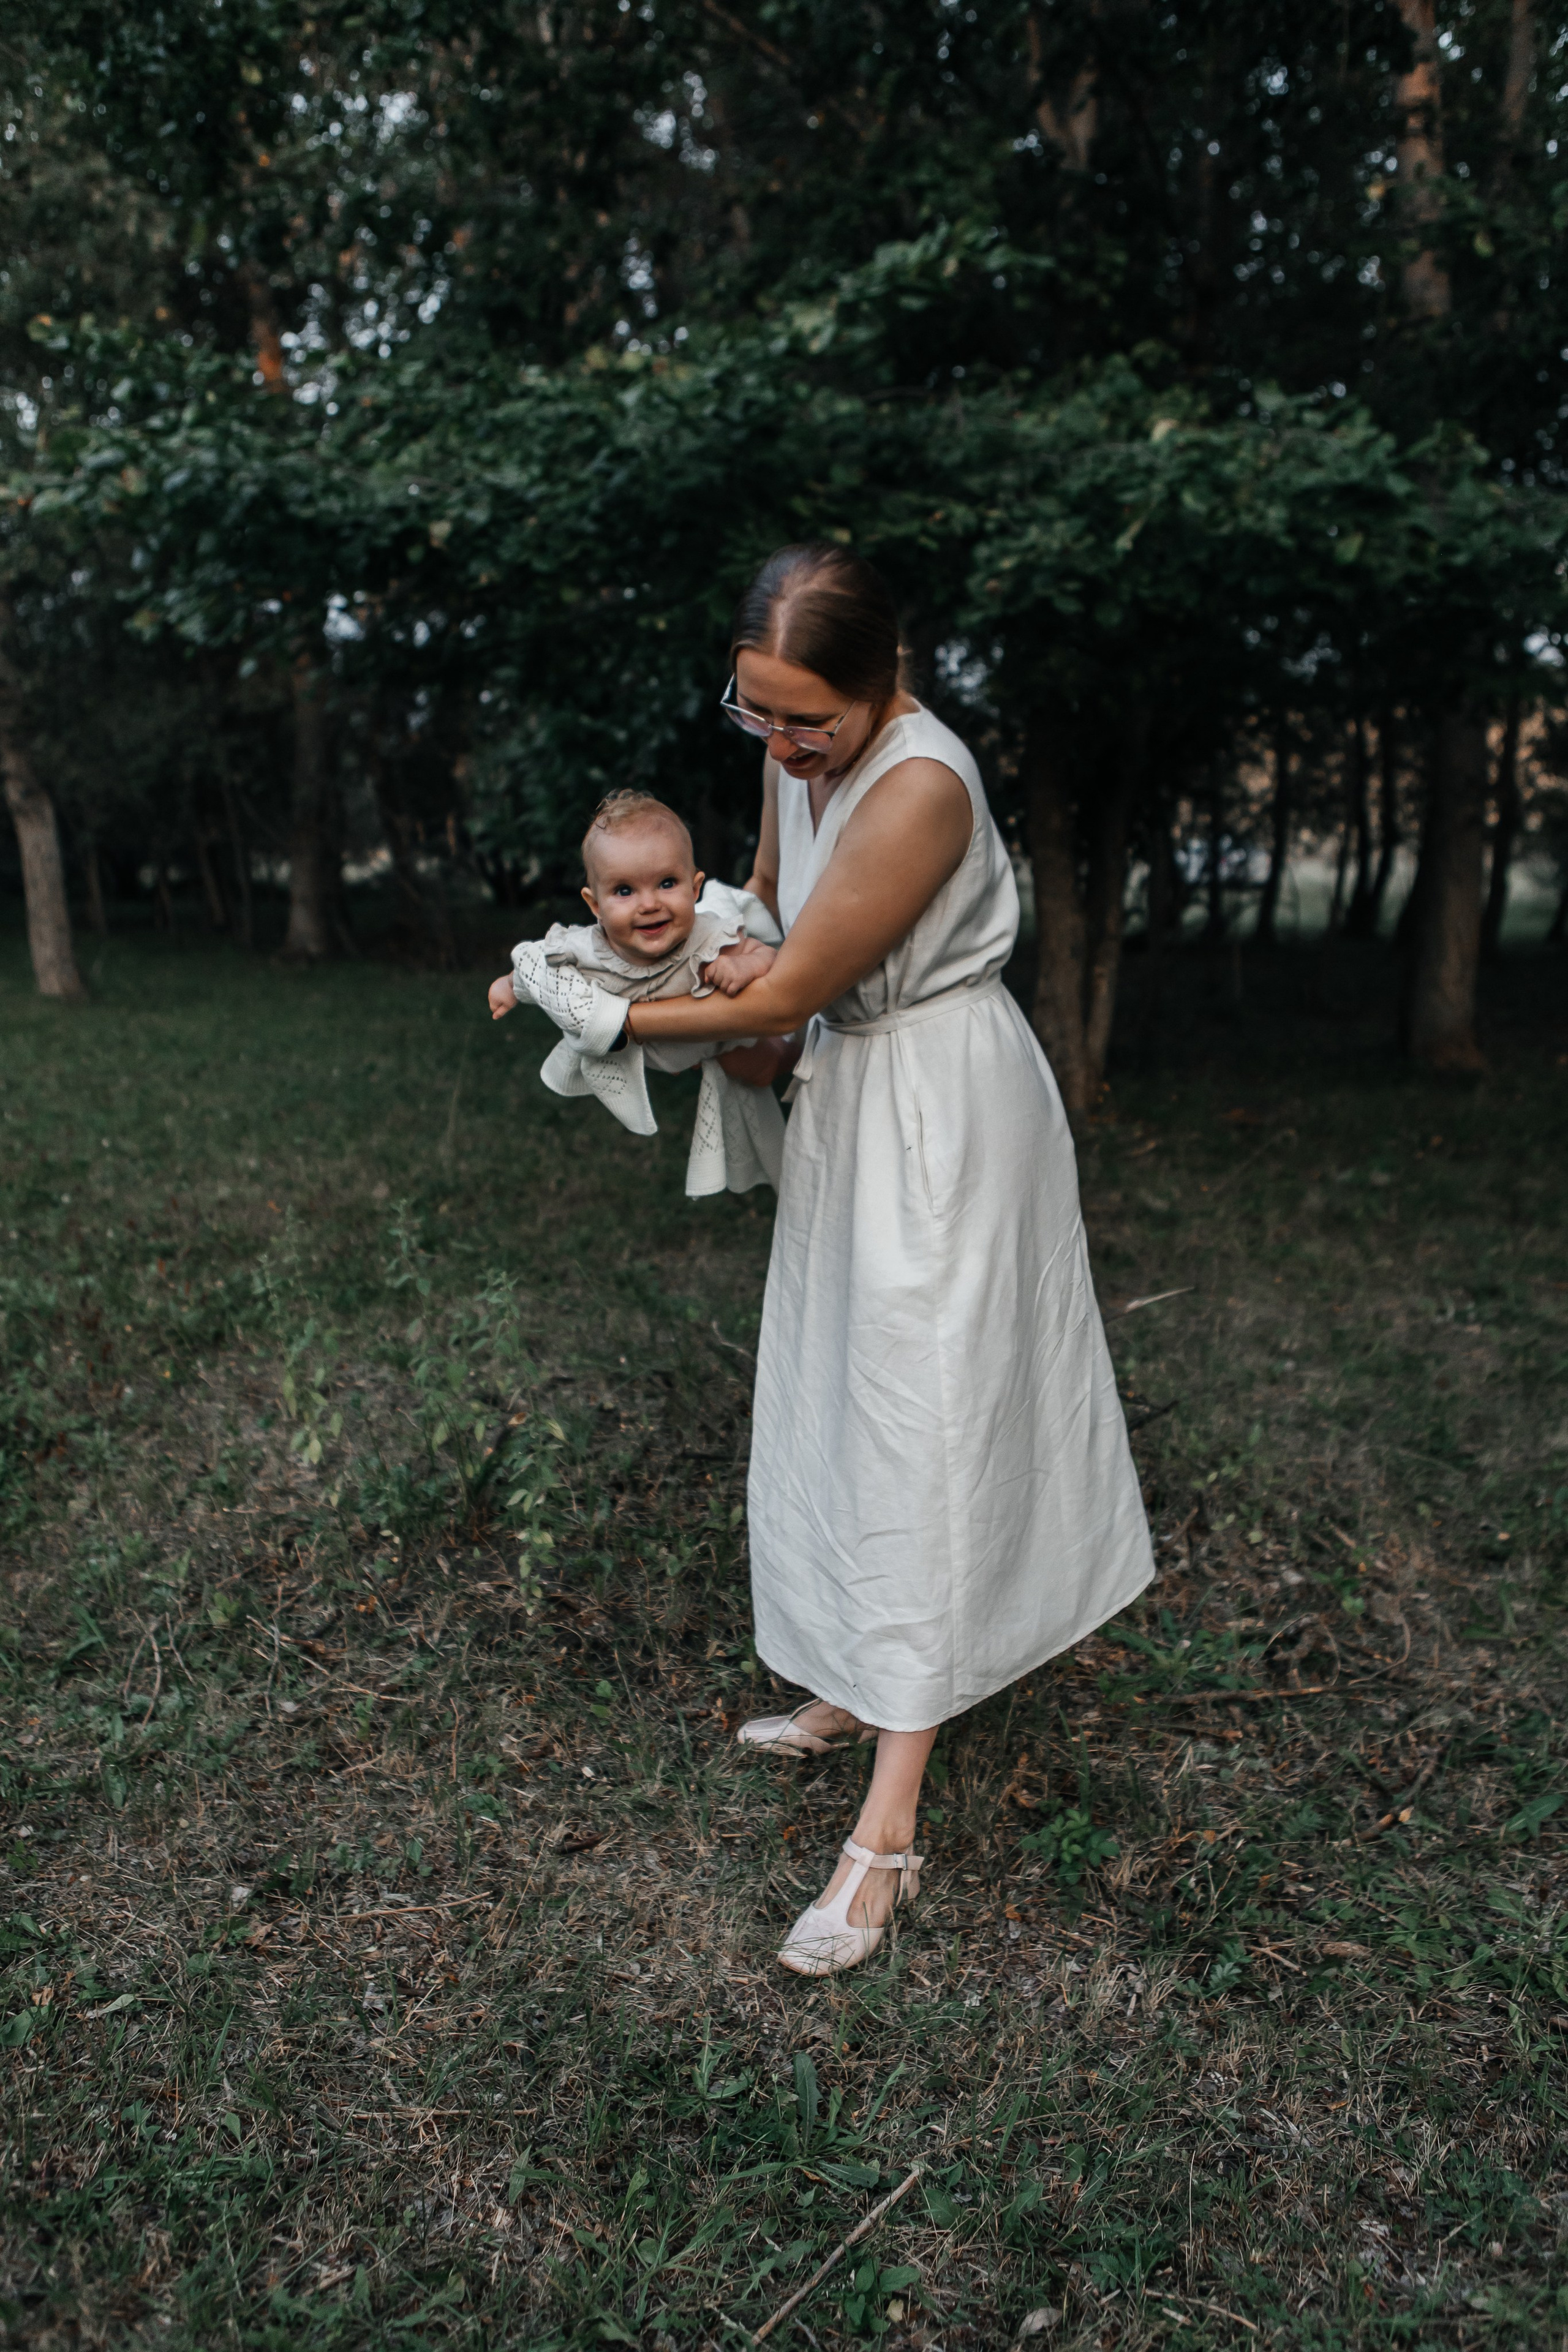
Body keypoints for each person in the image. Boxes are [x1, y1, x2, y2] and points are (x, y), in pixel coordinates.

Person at [609, 544, 1154, 1977]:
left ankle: (887, 1831)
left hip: (943, 1109)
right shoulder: (797, 749)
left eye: (807, 719)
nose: (782, 745)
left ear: (885, 675)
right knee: (837, 1393)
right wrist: (716, 1003)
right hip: (852, 1094)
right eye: (756, 713)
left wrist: (598, 1017)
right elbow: (769, 925)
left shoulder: (918, 782)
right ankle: (852, 1675)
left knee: (921, 1423)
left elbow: (791, 976)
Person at [487, 790, 788, 1197]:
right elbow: (538, 965)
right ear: (594, 905)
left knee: (747, 1084)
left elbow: (768, 956)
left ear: (695, 887)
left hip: (720, 1040)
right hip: (647, 1047)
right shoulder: (585, 947)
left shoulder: (709, 934)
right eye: (625, 891)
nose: (649, 904)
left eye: (667, 884)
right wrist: (508, 986)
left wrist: (743, 965)